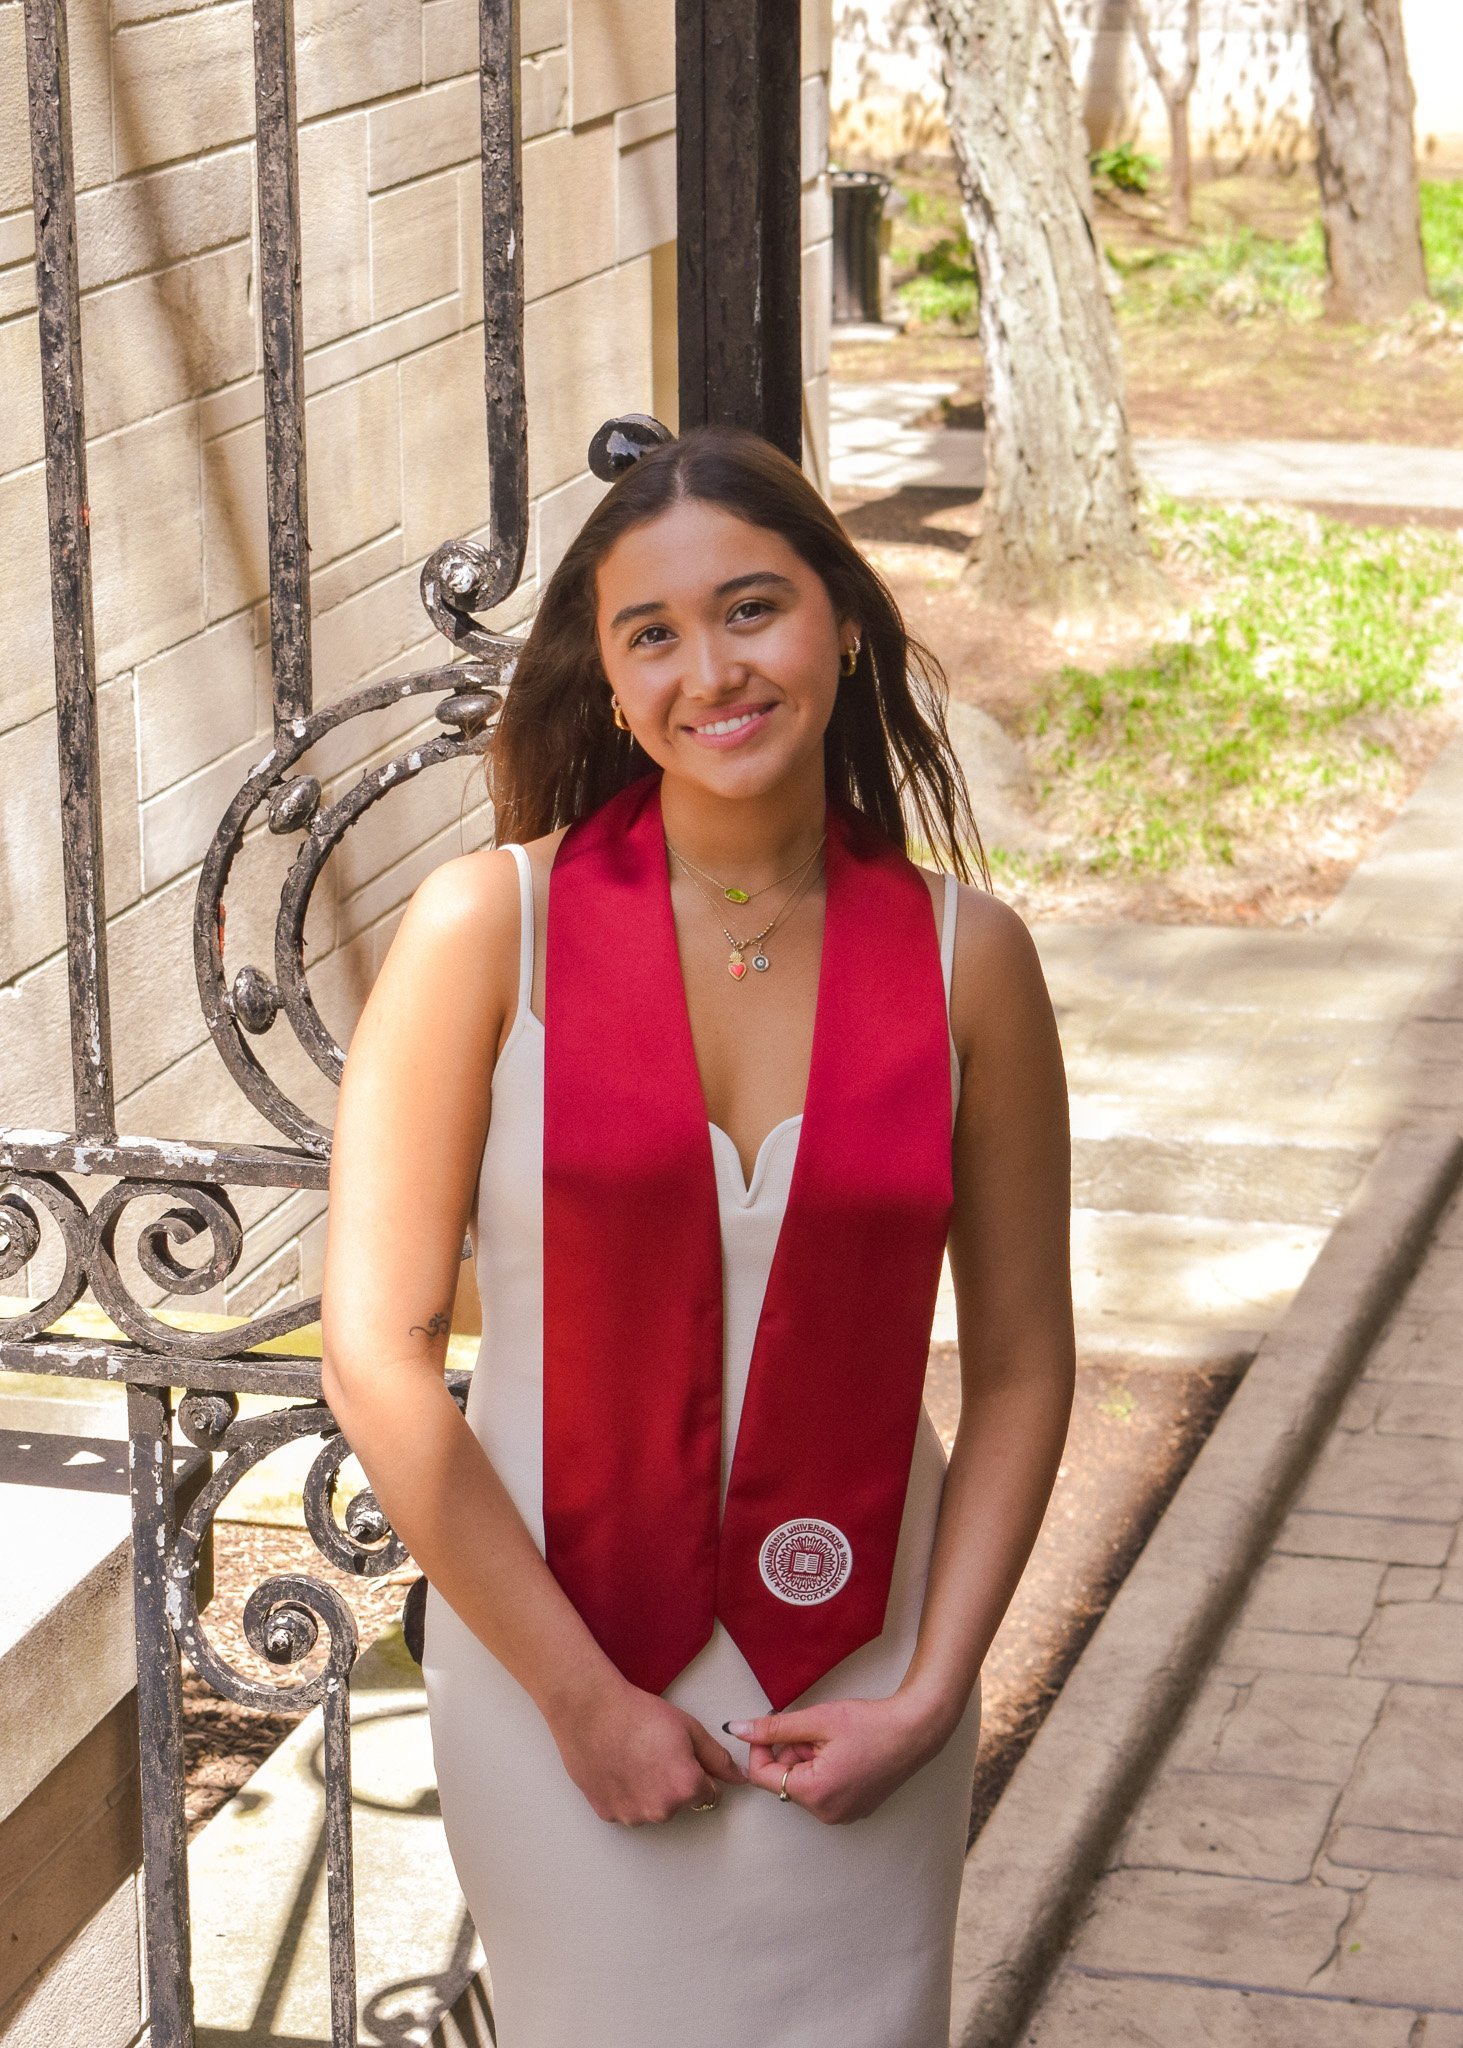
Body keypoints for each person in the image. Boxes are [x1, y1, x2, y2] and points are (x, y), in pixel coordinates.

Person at [320, 424, 1075, 2048]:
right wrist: (581, 1703)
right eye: (651, 633)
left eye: (753, 609)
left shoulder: (969, 960)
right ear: (603, 677)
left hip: (869, 1660)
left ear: (843, 623)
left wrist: (936, 1697)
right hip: (557, 1669)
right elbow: (373, 1351)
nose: (709, 669)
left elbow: (1021, 1364)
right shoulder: (487, 930)